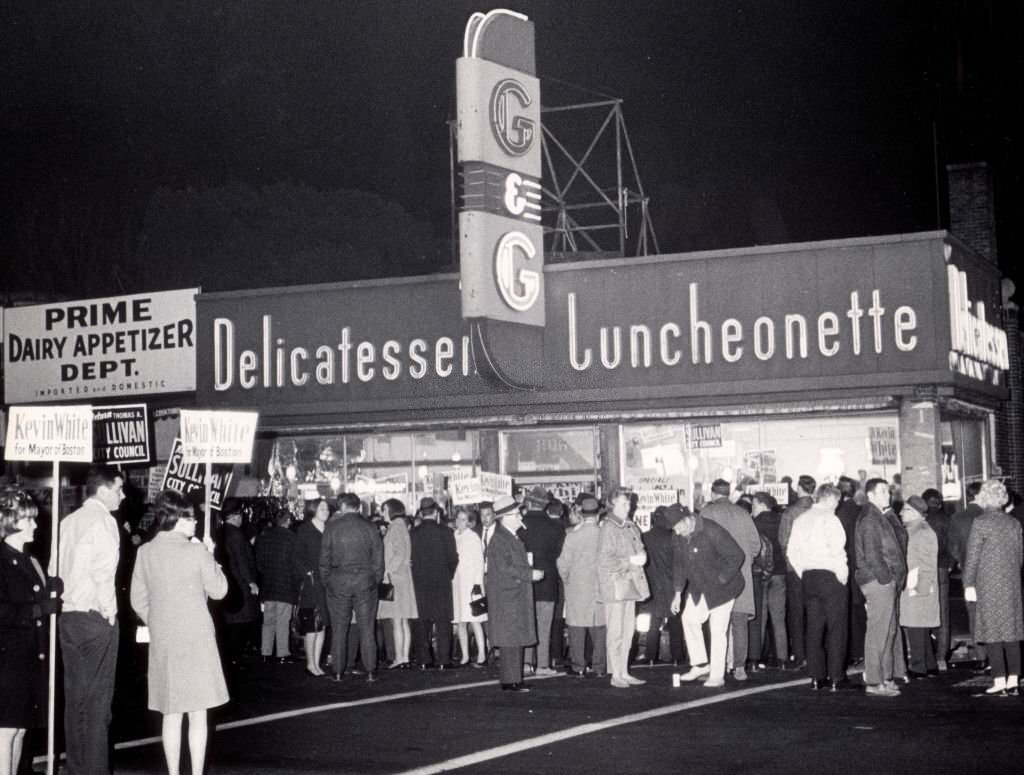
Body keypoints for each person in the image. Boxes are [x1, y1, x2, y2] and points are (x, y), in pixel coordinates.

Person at [130, 489, 229, 775]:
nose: (196, 523)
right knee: (198, 712)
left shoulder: (145, 551)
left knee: (170, 712)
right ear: (179, 518)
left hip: (165, 641)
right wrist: (211, 555)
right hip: (197, 639)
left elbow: (137, 599)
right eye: (193, 518)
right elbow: (220, 590)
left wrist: (160, 621)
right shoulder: (197, 550)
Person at [50, 465, 124, 775]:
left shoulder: (67, 521)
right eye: (119, 488)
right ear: (103, 489)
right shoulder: (104, 522)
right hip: (95, 619)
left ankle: (76, 768)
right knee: (97, 705)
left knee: (75, 699)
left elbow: (55, 569)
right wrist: (109, 614)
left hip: (67, 618)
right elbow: (103, 574)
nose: (122, 495)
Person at [0, 487, 58, 775]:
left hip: (31, 656)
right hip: (8, 659)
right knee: (6, 731)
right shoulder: (1, 560)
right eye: (29, 519)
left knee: (20, 730)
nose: (36, 524)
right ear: (12, 521)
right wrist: (38, 610)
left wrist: (52, 589)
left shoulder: (30, 559)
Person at [671, 509, 745, 688]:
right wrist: (678, 594)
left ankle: (717, 675)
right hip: (700, 587)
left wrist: (721, 578)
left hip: (724, 588)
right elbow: (679, 565)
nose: (677, 532)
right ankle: (701, 665)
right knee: (688, 619)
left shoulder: (712, 530)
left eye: (678, 527)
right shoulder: (679, 536)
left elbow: (737, 556)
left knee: (717, 630)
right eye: (674, 529)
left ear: (687, 520)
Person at [962, 479, 1023, 696]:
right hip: (1012, 583)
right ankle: (1014, 681)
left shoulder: (981, 522)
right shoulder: (1013, 523)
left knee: (992, 633)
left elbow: (973, 557)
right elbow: (1020, 557)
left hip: (987, 583)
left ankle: (999, 680)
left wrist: (968, 583)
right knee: (1012, 633)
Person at [786, 484, 849, 691]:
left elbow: (792, 552)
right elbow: (838, 550)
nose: (837, 506)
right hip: (830, 577)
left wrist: (802, 571)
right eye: (836, 502)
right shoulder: (830, 519)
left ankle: (816, 677)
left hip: (809, 577)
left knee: (814, 628)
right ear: (830, 499)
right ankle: (836, 678)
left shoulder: (800, 520)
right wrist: (842, 576)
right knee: (836, 628)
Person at [701, 478, 761, 681]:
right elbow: (756, 545)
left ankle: (717, 666)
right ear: (729, 494)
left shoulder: (707, 513)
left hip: (716, 576)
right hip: (741, 573)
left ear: (713, 493)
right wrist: (746, 561)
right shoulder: (743, 513)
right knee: (739, 621)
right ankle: (739, 667)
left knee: (717, 623)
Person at [320, 492, 384, 682]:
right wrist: (375, 579)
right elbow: (378, 559)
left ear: (342, 506)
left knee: (339, 629)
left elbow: (324, 560)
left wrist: (327, 581)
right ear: (358, 507)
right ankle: (371, 670)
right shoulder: (370, 527)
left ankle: (338, 671)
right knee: (367, 628)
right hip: (365, 581)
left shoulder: (331, 528)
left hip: (338, 581)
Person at [854, 478, 907, 697]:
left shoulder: (880, 515)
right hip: (878, 581)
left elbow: (901, 537)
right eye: (883, 491)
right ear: (871, 494)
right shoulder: (869, 518)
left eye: (888, 491)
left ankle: (886, 677)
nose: (889, 495)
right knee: (879, 632)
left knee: (888, 630)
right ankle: (875, 681)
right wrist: (887, 579)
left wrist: (890, 513)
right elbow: (873, 554)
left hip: (884, 580)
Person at [485, 495, 543, 692]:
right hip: (508, 596)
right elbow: (506, 568)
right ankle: (511, 681)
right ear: (506, 517)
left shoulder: (506, 537)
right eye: (517, 513)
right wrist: (530, 574)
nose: (520, 517)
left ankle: (514, 679)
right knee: (510, 638)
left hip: (512, 594)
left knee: (514, 636)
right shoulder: (501, 539)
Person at [597, 488, 650, 689]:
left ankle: (624, 671)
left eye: (628, 503)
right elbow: (604, 561)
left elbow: (640, 546)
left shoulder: (630, 526)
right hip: (614, 584)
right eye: (624, 504)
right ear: (612, 505)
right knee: (616, 632)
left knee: (628, 630)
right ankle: (616, 673)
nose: (628, 507)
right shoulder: (608, 527)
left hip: (630, 583)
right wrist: (629, 561)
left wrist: (642, 555)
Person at [557, 495, 607, 678]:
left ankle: (578, 666)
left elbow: (562, 564)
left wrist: (568, 580)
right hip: (600, 588)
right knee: (599, 627)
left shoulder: (572, 537)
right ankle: (600, 667)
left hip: (577, 589)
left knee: (576, 628)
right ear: (598, 516)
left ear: (582, 515)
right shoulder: (604, 536)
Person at [410, 497, 458, 670]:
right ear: (436, 512)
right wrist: (448, 574)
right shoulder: (446, 532)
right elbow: (453, 558)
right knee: (443, 621)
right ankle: (444, 660)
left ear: (422, 514)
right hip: (441, 581)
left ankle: (424, 659)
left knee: (421, 621)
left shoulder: (413, 534)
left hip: (419, 582)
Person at [521, 486, 565, 676]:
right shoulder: (556, 527)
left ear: (528, 503)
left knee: (526, 623)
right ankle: (543, 665)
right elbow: (559, 555)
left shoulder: (519, 525)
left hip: (524, 581)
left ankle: (525, 663)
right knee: (544, 625)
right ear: (546, 505)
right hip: (548, 580)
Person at [898, 495, 940, 678]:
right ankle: (929, 665)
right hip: (916, 583)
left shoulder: (921, 531)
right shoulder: (916, 529)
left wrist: (921, 588)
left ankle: (918, 667)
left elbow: (927, 562)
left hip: (918, 584)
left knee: (915, 626)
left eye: (906, 510)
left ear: (916, 513)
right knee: (920, 626)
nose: (901, 513)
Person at [640, 505, 685, 666]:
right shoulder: (674, 537)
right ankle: (676, 657)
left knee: (654, 621)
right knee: (675, 622)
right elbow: (679, 562)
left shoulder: (644, 537)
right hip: (672, 584)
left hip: (651, 584)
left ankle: (650, 656)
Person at [779, 474, 816, 669]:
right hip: (817, 568)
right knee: (815, 612)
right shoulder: (819, 511)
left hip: (795, 570)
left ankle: (800, 655)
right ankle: (816, 653)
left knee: (796, 614)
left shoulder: (790, 513)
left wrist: (790, 563)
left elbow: (783, 542)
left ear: (799, 489)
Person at [377, 498, 417, 669]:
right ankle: (404, 657)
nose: (382, 513)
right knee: (403, 621)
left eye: (384, 509)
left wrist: (388, 571)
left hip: (396, 580)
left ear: (391, 510)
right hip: (402, 578)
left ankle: (400, 657)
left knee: (396, 620)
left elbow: (399, 554)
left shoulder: (396, 527)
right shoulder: (400, 526)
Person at [255, 508, 297, 663]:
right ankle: (282, 653)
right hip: (285, 585)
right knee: (283, 621)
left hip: (267, 585)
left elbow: (258, 563)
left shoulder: (264, 537)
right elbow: (294, 564)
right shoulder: (292, 538)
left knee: (268, 620)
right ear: (288, 521)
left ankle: (265, 652)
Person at [949, 481, 985, 664]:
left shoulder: (957, 518)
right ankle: (997, 657)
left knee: (973, 614)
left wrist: (962, 562)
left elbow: (953, 548)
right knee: (993, 614)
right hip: (990, 572)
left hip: (968, 572)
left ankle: (981, 656)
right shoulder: (989, 516)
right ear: (979, 495)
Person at [219, 507, 260, 666]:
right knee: (242, 621)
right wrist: (251, 582)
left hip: (232, 581)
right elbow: (241, 561)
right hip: (240, 583)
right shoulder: (236, 535)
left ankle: (233, 656)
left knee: (235, 621)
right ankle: (235, 657)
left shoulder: (224, 532)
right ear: (235, 517)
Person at [293, 499, 330, 676]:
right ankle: (310, 663)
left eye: (327, 508)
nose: (326, 511)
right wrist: (306, 573)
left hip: (326, 583)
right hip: (311, 583)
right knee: (311, 625)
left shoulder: (329, 530)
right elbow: (296, 557)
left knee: (322, 624)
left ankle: (317, 663)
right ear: (313, 510)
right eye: (322, 508)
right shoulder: (305, 530)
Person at [752, 492, 787, 669]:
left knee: (761, 616)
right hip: (780, 573)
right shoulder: (782, 520)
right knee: (779, 618)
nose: (752, 509)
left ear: (760, 504)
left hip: (761, 574)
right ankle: (782, 657)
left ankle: (757, 657)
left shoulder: (755, 524)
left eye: (753, 505)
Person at [835, 476, 865, 668]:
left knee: (847, 612)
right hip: (861, 567)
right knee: (859, 610)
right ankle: (861, 649)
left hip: (845, 566)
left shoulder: (838, 514)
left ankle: (852, 651)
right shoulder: (860, 511)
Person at [451, 507, 487, 667]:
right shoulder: (454, 536)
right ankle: (465, 655)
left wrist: (477, 584)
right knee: (460, 621)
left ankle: (481, 655)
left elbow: (479, 563)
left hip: (470, 584)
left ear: (470, 522)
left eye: (464, 519)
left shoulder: (472, 537)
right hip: (457, 582)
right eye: (458, 518)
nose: (460, 522)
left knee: (475, 619)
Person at [921, 488, 951, 670]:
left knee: (924, 611)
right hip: (941, 569)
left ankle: (927, 656)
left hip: (925, 570)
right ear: (939, 502)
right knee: (943, 613)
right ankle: (941, 658)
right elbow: (952, 545)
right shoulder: (947, 520)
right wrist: (950, 563)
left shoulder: (921, 522)